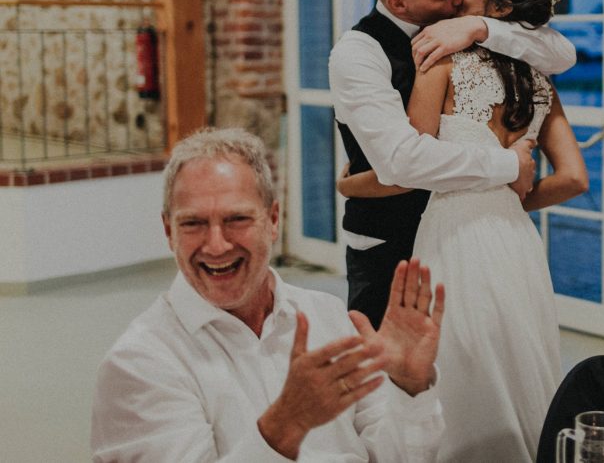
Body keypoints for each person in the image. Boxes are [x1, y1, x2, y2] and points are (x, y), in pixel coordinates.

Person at [339, 0, 588, 462]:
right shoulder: (541, 81)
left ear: (498, 9)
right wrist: (509, 196)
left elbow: (405, 171)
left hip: (452, 235)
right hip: (515, 240)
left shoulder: (443, 62)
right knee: (520, 357)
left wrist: (348, 185)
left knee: (457, 364)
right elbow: (574, 179)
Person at [91, 127, 447, 462]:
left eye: (237, 220)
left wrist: (410, 387)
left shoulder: (327, 314)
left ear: (273, 219)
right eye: (193, 223)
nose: (216, 245)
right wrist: (285, 424)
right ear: (169, 232)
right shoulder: (140, 363)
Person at [328, 0, 575, 329]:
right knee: (392, 375)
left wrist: (479, 27)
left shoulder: (469, 32)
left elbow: (561, 53)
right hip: (390, 245)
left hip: (463, 237)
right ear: (398, 3)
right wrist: (509, 166)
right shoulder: (358, 53)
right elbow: (403, 162)